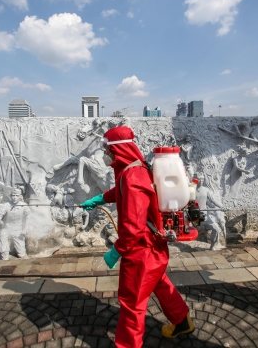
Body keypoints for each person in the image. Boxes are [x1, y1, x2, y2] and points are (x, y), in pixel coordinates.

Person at [80, 126, 193, 348]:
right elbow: (121, 192)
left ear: (118, 149)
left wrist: (117, 250)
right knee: (158, 282)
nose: (105, 153)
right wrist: (100, 198)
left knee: (132, 303)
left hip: (142, 251)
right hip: (152, 250)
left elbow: (133, 228)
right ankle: (181, 320)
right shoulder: (134, 169)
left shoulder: (132, 177)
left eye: (107, 148)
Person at [0, 186, 30, 260]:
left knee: (21, 253)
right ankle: (4, 257)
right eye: (13, 195)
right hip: (7, 228)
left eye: (17, 196)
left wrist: (25, 228)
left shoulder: (24, 206)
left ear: (20, 196)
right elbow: (0, 216)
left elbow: (27, 218)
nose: (14, 197)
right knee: (3, 237)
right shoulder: (6, 205)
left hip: (18, 229)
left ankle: (21, 253)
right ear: (11, 196)